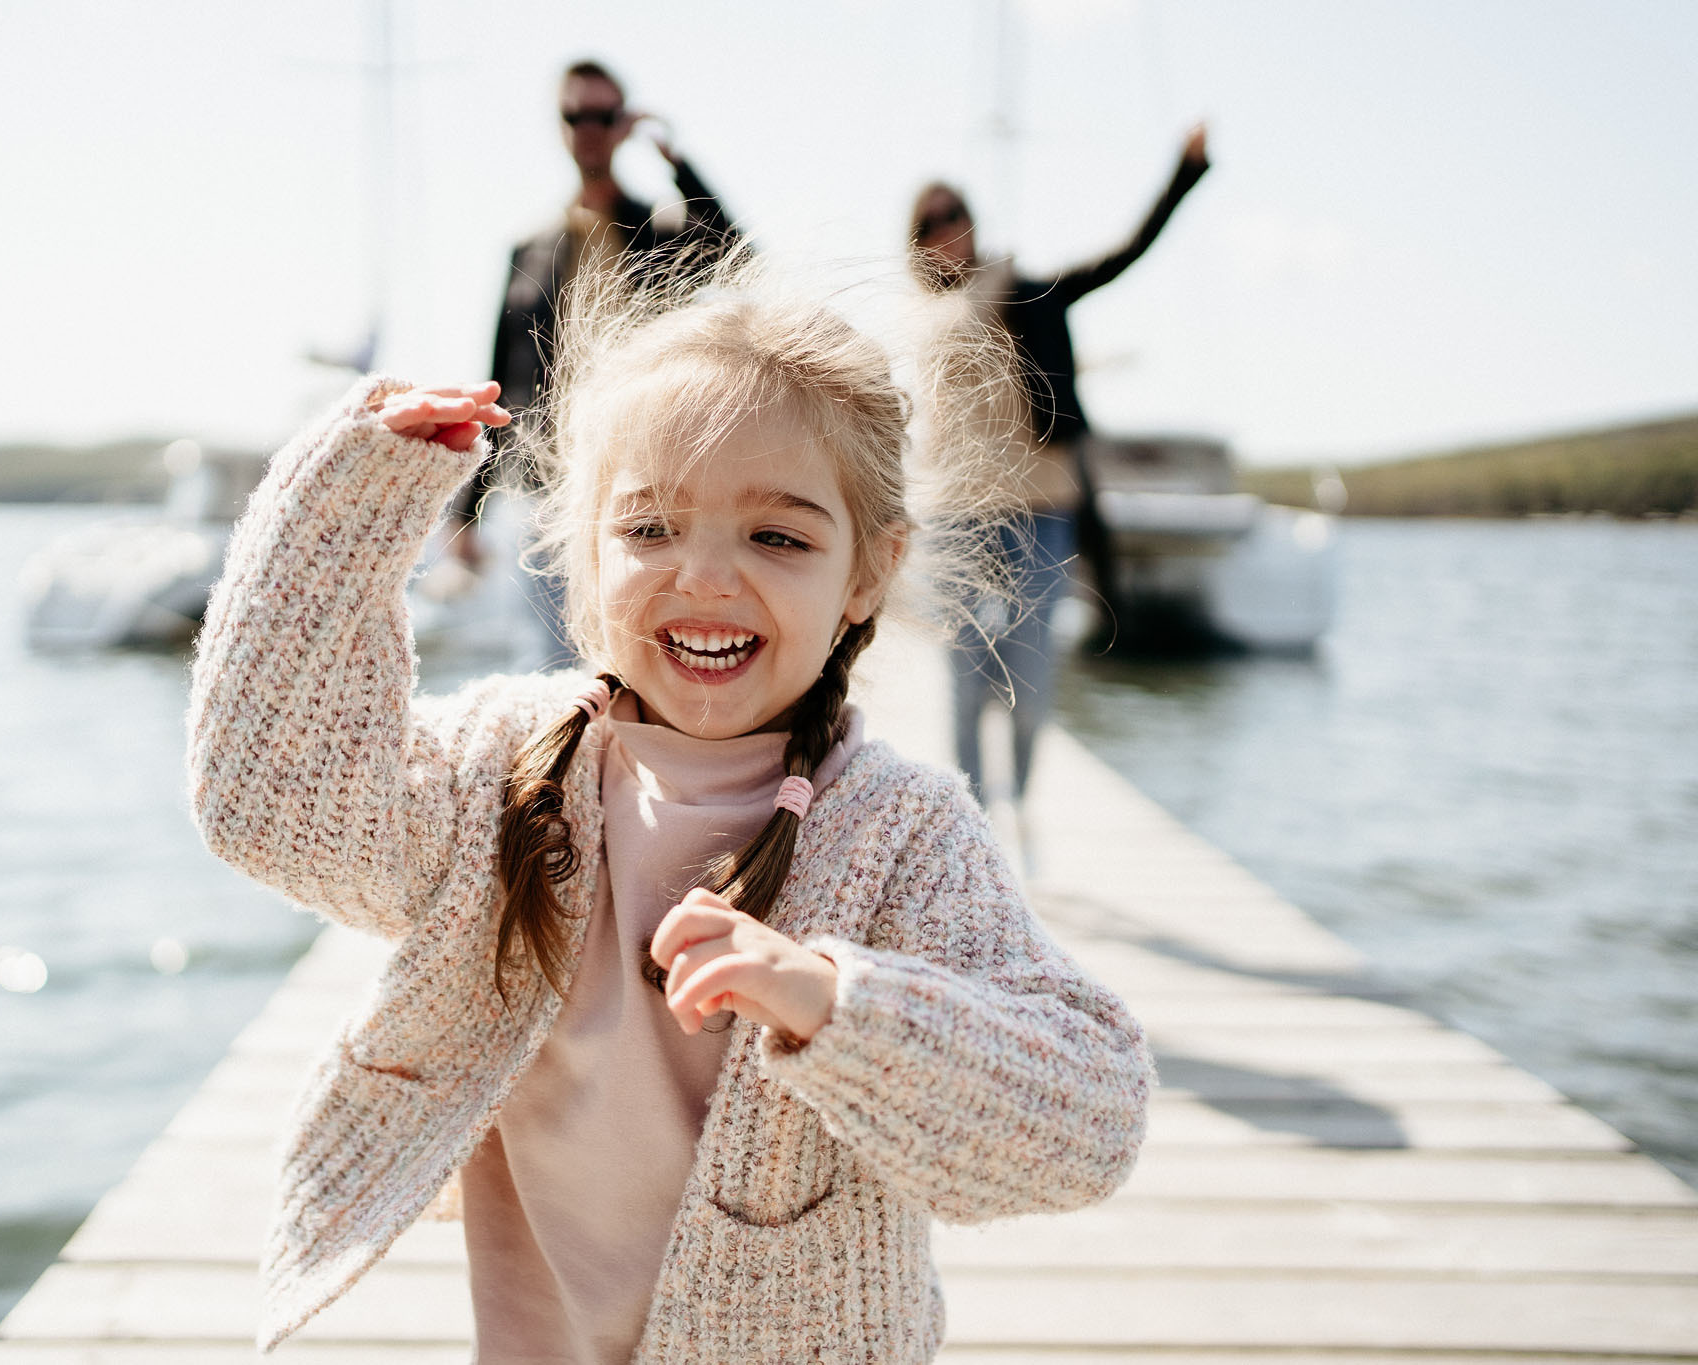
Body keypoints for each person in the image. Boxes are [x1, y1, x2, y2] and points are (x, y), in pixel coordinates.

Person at [186, 268, 1152, 1359]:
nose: (702, 576)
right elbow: (273, 806)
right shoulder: (500, 767)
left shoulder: (902, 834)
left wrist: (835, 1005)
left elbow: (1087, 1121)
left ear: (867, 574)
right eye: (648, 527)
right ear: (583, 556)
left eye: (777, 538)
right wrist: (343, 507)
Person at [912, 125, 1210, 807]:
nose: (945, 230)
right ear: (916, 240)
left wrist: (1184, 173)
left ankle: (1018, 795)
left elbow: (1123, 255)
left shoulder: (1028, 292)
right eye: (929, 222)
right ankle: (972, 822)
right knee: (962, 678)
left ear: (973, 223)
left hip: (1039, 507)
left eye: (953, 214)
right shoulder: (915, 317)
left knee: (1031, 682)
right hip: (955, 513)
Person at [446, 58, 740, 667]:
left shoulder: (653, 231)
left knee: (631, 668)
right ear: (560, 125)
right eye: (576, 116)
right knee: (547, 669)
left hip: (640, 487)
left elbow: (732, 250)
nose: (590, 129)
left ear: (622, 124)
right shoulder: (529, 248)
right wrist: (466, 510)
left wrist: (674, 157)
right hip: (542, 493)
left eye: (605, 116)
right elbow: (499, 383)